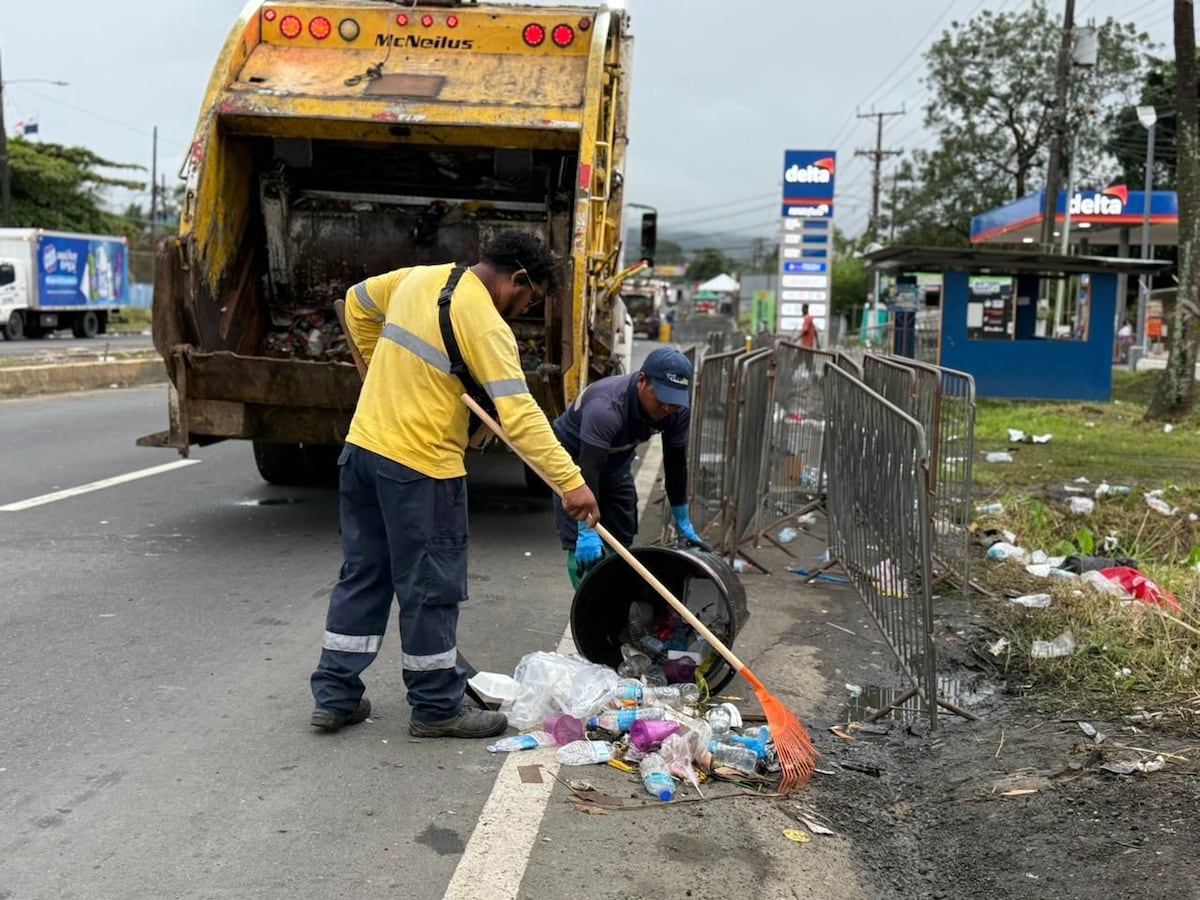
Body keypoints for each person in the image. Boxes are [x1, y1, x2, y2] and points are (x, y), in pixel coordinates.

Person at [310, 233, 599, 738]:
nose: (524, 311)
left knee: (364, 574)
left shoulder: (418, 278)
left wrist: (379, 368)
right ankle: (435, 707)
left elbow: (356, 302)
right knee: (430, 589)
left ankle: (334, 697)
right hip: (421, 469)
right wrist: (571, 483)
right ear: (517, 279)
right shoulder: (487, 326)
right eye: (530, 299)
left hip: (362, 453)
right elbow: (521, 416)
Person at [550, 347, 707, 589]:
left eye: (674, 402)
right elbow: (589, 469)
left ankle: (618, 598)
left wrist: (682, 521)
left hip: (617, 462)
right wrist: (586, 531)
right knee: (585, 552)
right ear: (642, 381)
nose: (668, 408)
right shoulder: (606, 407)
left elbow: (675, 463)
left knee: (622, 541)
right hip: (575, 463)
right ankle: (590, 602)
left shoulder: (677, 412)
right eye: (662, 399)